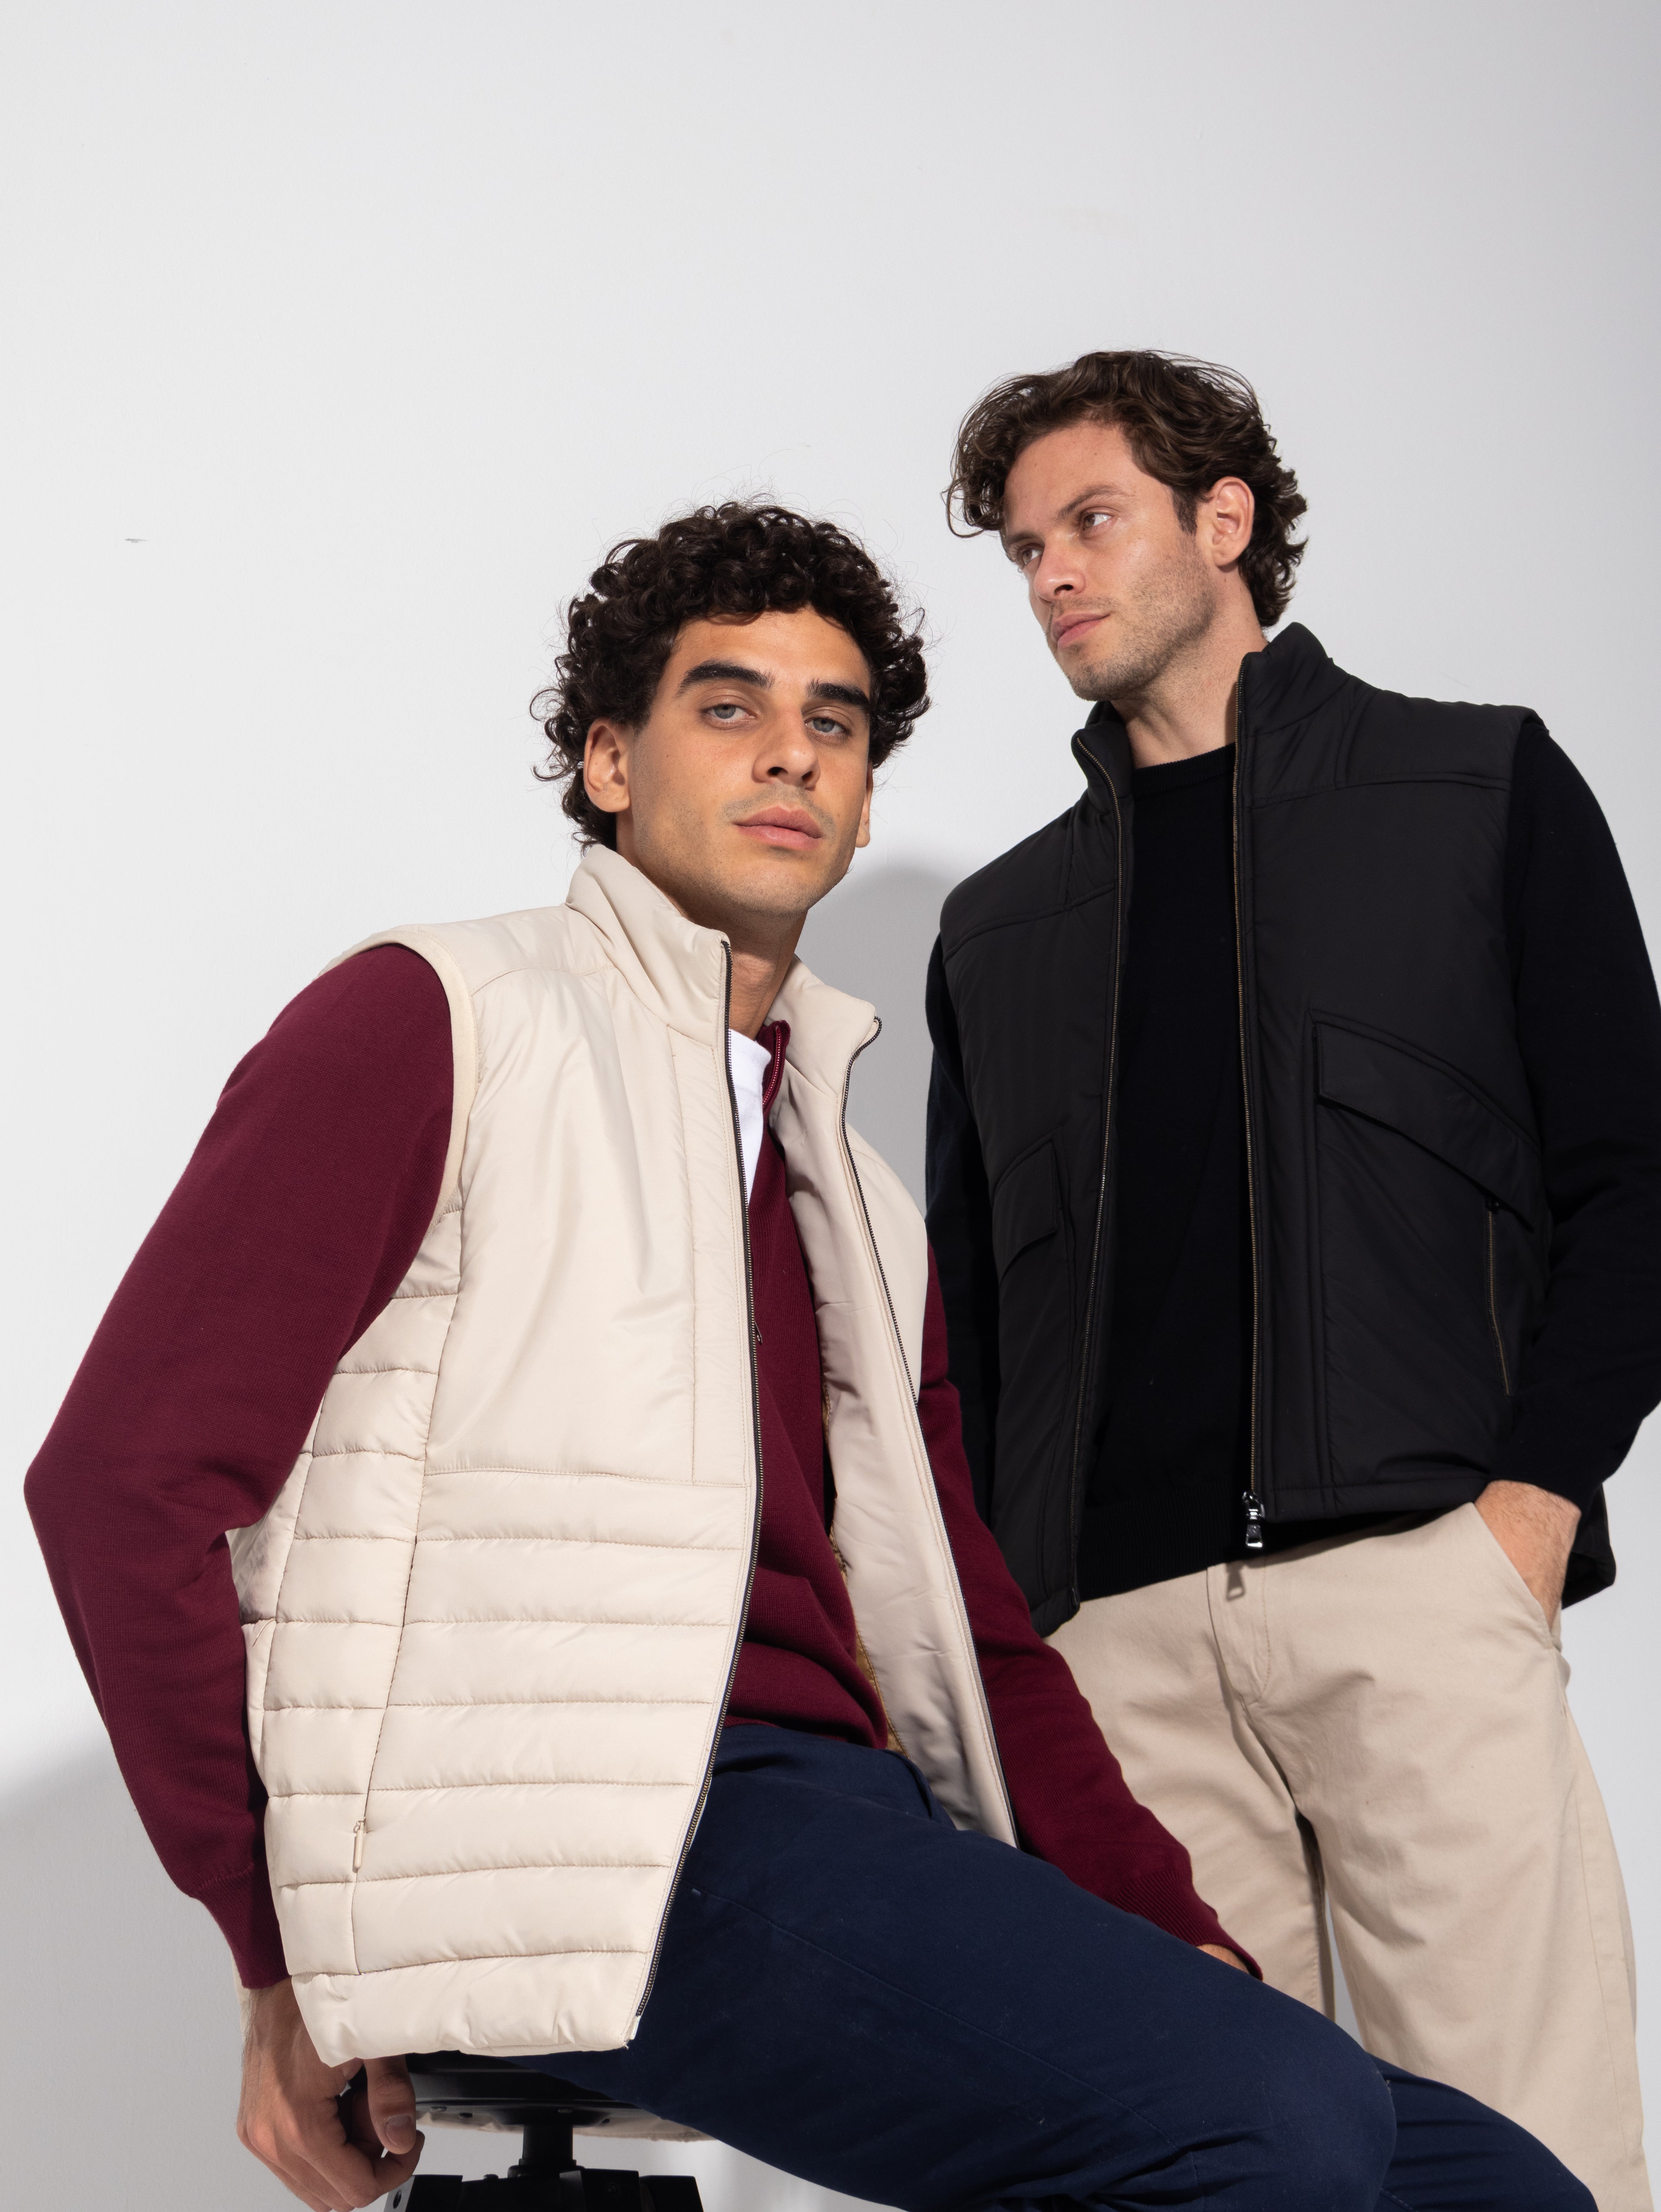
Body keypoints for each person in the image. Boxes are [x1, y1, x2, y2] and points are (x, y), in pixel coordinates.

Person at [27, 503, 1585, 2212]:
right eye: (728, 705)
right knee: (1269, 2123)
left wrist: (1174, 1928)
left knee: (1493, 2186)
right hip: (597, 1830)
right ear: (609, 762)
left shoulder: (851, 1184)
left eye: (833, 722)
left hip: (845, 1821)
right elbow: (120, 1483)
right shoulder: (439, 1019)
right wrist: (279, 1948)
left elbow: (980, 1632)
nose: (791, 752)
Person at [925, 349, 1658, 2210]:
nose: (1052, 576)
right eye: (1024, 548)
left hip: (1417, 1584)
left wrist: (1527, 1509)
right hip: (1118, 1657)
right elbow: (971, 1343)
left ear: (1223, 518)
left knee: (1518, 2164)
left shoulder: (1473, 787)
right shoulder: (998, 930)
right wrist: (1023, 1642)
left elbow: (1633, 1176)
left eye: (1092, 521)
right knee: (1184, 2169)